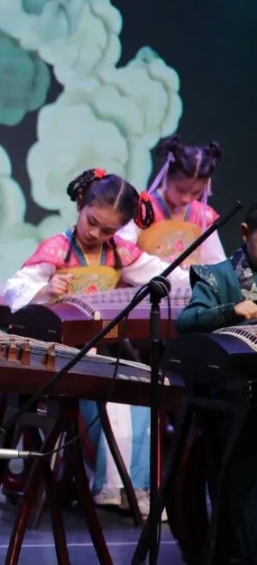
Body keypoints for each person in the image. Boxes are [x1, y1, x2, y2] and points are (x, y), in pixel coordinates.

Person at [1, 168, 190, 517]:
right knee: (108, 396)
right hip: (58, 357)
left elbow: (168, 277)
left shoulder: (119, 253)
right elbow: (14, 289)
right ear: (80, 205)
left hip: (100, 352)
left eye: (108, 231)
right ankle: (113, 484)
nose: (95, 234)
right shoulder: (57, 248)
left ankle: (136, 488)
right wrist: (44, 290)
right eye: (92, 222)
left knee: (140, 393)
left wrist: (208, 279)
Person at [175, 202, 257, 563]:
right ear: (245, 234)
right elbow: (187, 321)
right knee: (240, 479)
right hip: (231, 396)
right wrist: (230, 311)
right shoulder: (218, 276)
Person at [118, 136, 225, 267]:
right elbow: (123, 250)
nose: (186, 198)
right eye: (180, 190)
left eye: (195, 193)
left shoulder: (204, 217)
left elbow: (215, 263)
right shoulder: (143, 208)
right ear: (168, 175)